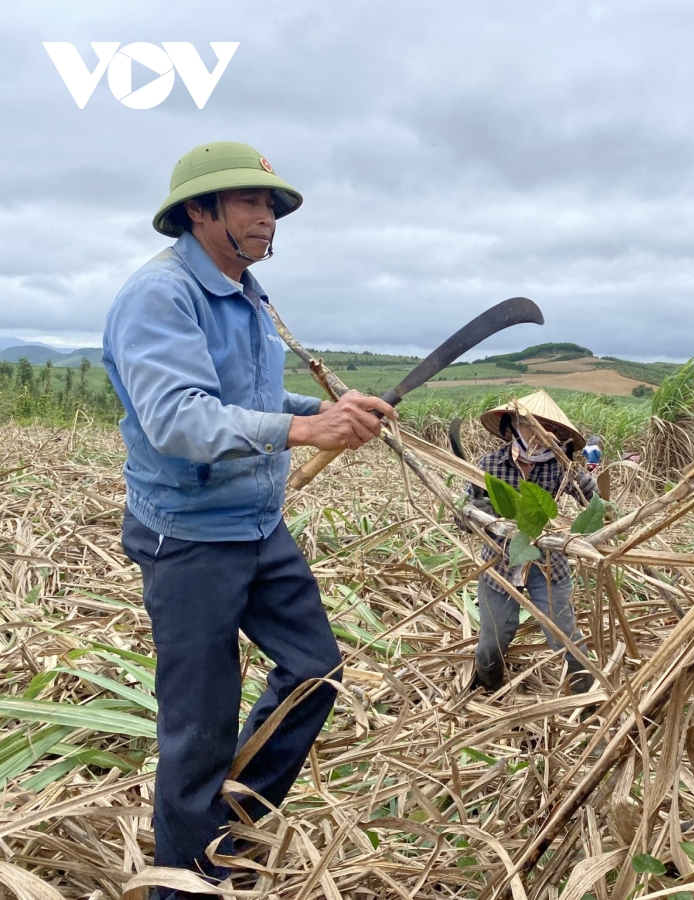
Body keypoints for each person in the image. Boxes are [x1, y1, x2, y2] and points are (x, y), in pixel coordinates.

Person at [103, 141, 396, 898]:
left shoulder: (251, 294)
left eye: (270, 205)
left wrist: (327, 410)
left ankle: (228, 827)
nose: (266, 216)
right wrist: (304, 433)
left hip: (258, 526)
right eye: (249, 203)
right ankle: (183, 884)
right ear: (199, 212)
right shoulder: (160, 296)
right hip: (190, 536)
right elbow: (177, 420)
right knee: (197, 728)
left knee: (315, 672)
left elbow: (255, 402)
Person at [466, 390, 598, 697]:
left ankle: (587, 700)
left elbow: (595, 507)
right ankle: (488, 690)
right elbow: (461, 514)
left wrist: (592, 491)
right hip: (499, 561)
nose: (539, 434)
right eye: (529, 425)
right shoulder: (489, 465)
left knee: (564, 636)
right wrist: (473, 514)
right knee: (492, 641)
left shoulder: (562, 467)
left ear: (560, 435)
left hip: (548, 562)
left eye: (548, 428)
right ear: (512, 426)